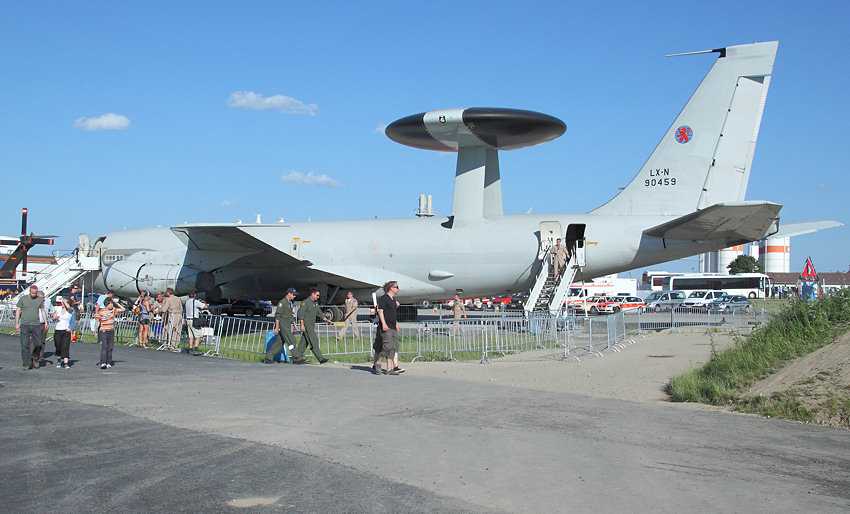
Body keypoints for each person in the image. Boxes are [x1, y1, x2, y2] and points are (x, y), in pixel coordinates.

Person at [292, 287, 330, 364]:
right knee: (313, 340)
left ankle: (297, 358)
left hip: (311, 325)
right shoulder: (306, 302)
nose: (318, 297)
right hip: (307, 325)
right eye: (317, 295)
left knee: (304, 342)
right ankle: (320, 358)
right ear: (312, 294)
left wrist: (325, 319)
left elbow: (318, 312)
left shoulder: (314, 303)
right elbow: (300, 314)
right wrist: (302, 325)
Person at [15, 284, 48, 370]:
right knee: (25, 345)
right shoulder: (23, 299)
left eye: (35, 293)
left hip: (36, 325)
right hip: (25, 325)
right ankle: (26, 363)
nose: (33, 295)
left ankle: (35, 358)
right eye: (32, 293)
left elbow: (43, 310)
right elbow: (18, 311)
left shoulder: (39, 300)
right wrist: (16, 323)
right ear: (29, 291)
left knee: (39, 344)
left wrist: (45, 322)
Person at [375, 281, 404, 375]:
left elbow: (392, 314)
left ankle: (388, 369)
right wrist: (383, 324)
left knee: (393, 348)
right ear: (391, 288)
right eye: (396, 287)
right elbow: (380, 311)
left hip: (393, 326)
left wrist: (396, 324)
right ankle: (378, 362)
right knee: (388, 346)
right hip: (386, 326)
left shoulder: (393, 299)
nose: (398, 289)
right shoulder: (384, 299)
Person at [264, 287, 298, 364]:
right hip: (283, 326)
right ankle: (297, 358)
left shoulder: (289, 303)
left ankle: (268, 357)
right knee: (291, 340)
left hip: (288, 325)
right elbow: (277, 316)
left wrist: (294, 324)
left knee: (279, 343)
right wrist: (277, 327)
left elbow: (290, 315)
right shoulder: (282, 303)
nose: (294, 296)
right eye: (293, 294)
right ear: (289, 294)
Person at [95, 297, 125, 369]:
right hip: (103, 331)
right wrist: (95, 331)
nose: (112, 305)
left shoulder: (113, 310)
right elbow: (96, 321)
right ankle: (103, 362)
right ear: (107, 304)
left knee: (110, 347)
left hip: (111, 330)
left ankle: (108, 361)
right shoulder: (101, 312)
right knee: (104, 347)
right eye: (111, 304)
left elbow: (123, 309)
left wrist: (115, 303)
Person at [52, 296, 73, 368]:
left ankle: (66, 362)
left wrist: (64, 301)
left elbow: (69, 308)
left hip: (66, 330)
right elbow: (53, 318)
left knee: (65, 346)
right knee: (58, 346)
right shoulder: (58, 309)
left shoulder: (70, 310)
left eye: (64, 302)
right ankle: (58, 359)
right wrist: (55, 318)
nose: (62, 303)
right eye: (62, 302)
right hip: (58, 329)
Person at [162, 287, 184, 352]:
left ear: (168, 293)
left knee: (171, 330)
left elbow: (164, 309)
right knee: (178, 330)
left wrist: (159, 310)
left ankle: (170, 344)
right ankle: (175, 344)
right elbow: (181, 308)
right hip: (179, 315)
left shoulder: (168, 299)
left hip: (172, 315)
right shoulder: (178, 298)